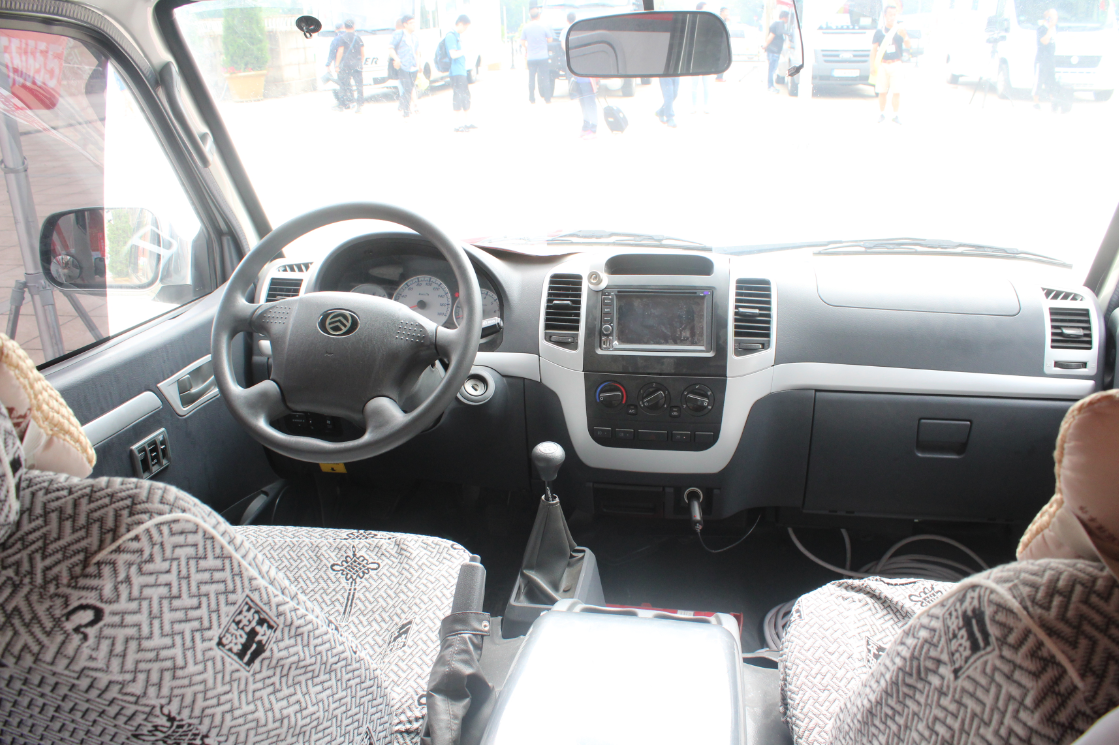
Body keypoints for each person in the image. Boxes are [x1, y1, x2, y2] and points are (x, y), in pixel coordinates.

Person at [870, 3, 912, 124]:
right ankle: (882, 113)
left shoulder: (900, 30)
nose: (892, 17)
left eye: (894, 15)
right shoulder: (879, 32)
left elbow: (909, 45)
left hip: (896, 64)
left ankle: (895, 115)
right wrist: (872, 66)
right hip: (883, 65)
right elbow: (873, 50)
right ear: (885, 15)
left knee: (896, 91)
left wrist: (905, 36)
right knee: (882, 91)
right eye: (890, 15)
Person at [446, 15, 475, 132]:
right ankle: (456, 125)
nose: (465, 30)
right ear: (460, 23)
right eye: (465, 27)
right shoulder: (451, 36)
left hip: (461, 70)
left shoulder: (457, 36)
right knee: (458, 97)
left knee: (465, 96)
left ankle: (467, 122)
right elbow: (453, 54)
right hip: (456, 71)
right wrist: (466, 50)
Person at [521, 6, 555, 104]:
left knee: (531, 78)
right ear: (539, 15)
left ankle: (532, 98)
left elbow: (522, 42)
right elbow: (550, 39)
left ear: (530, 16)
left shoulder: (526, 27)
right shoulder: (544, 26)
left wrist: (527, 47)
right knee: (545, 77)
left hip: (531, 57)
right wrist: (543, 43)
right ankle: (547, 99)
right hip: (543, 57)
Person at [390, 14, 421, 118]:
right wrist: (397, 59)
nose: (414, 25)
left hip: (413, 67)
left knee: (409, 88)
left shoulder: (415, 36)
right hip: (403, 66)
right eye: (411, 23)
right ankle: (406, 113)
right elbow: (390, 48)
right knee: (407, 88)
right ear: (405, 24)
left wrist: (419, 64)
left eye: (414, 22)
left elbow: (417, 52)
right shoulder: (398, 34)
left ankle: (402, 107)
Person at [333, 20, 364, 113]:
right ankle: (359, 105)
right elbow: (362, 52)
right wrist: (360, 62)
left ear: (344, 27)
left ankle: (342, 105)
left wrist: (337, 65)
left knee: (344, 85)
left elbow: (340, 51)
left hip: (346, 65)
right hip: (357, 64)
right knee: (359, 85)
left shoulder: (342, 38)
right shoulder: (358, 37)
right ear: (354, 26)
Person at [1034, 8, 1058, 110]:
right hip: (1041, 59)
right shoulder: (1042, 28)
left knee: (1051, 81)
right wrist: (1050, 29)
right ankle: (1036, 102)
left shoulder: (1056, 28)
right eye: (1053, 16)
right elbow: (1044, 41)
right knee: (1039, 81)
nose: (1056, 18)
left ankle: (1053, 101)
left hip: (1050, 60)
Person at [691, 2, 712, 111]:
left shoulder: (710, 24)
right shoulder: (693, 23)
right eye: (705, 9)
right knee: (694, 85)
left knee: (707, 85)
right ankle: (693, 106)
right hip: (695, 59)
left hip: (706, 59)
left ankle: (706, 106)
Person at [762, 10, 789, 94]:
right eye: (788, 18)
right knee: (772, 69)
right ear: (784, 17)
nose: (788, 20)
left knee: (772, 69)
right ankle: (770, 86)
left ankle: (770, 86)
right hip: (773, 51)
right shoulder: (778, 24)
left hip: (773, 51)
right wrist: (765, 45)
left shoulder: (777, 24)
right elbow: (771, 36)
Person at [716, 8, 731, 82]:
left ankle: (719, 76)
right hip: (719, 44)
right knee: (721, 60)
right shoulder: (719, 20)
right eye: (726, 12)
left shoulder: (724, 20)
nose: (727, 13)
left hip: (723, 44)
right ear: (722, 12)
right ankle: (719, 77)